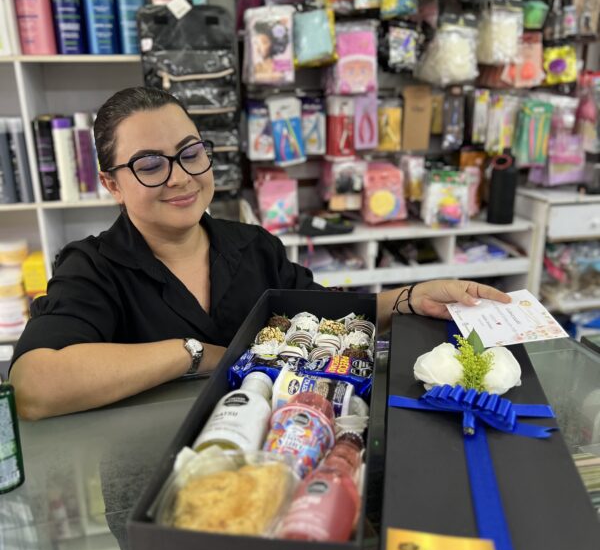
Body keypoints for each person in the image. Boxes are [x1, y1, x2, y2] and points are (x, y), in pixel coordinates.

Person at [9, 87, 510, 420]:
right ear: (111, 184)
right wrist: (195, 356)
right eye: (149, 164)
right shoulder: (92, 267)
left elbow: (325, 318)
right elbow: (34, 385)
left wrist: (412, 296)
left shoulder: (252, 246)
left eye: (190, 153)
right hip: (157, 483)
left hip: (282, 451)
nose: (181, 177)